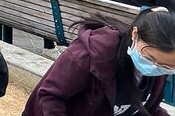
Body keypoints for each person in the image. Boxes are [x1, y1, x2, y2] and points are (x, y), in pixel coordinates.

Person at [23, 8, 175, 115]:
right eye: (149, 58)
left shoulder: (158, 68)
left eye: (167, 67)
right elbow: (50, 95)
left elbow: (146, 107)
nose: (155, 67)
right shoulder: (89, 56)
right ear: (135, 34)